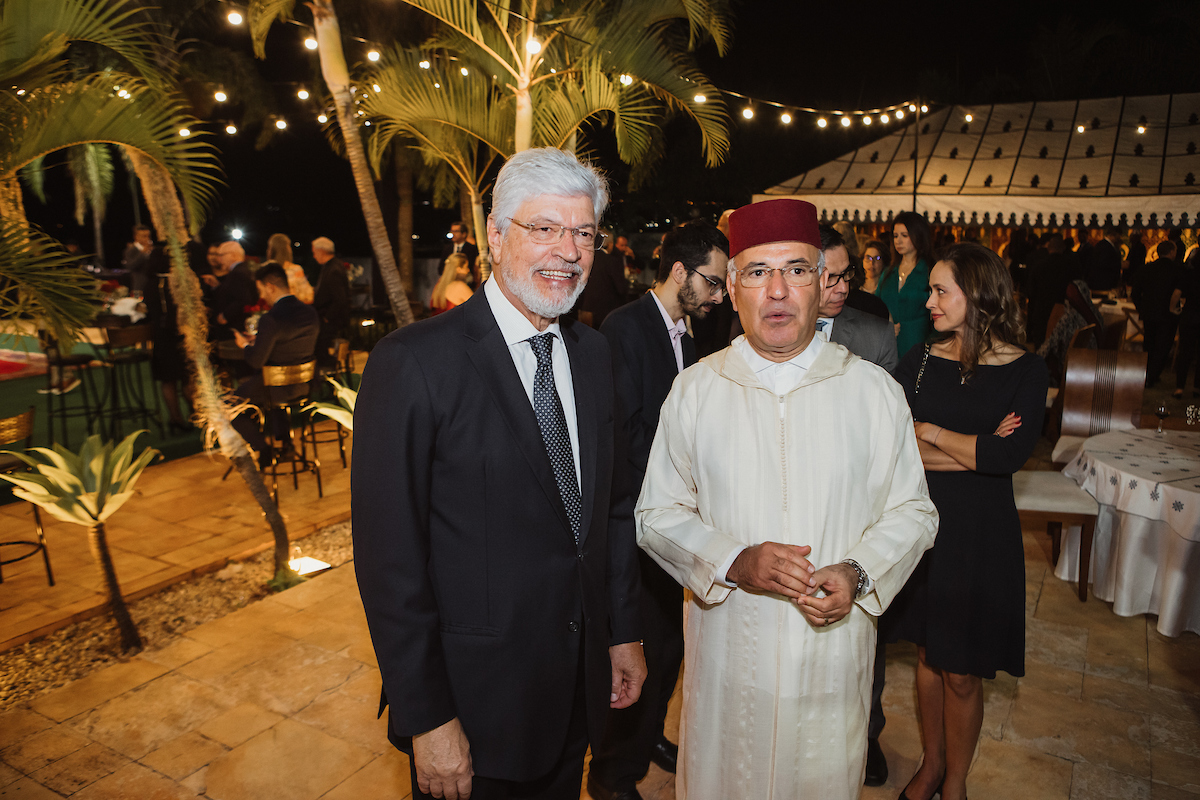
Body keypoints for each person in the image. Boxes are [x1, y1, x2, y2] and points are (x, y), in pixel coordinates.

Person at [352, 147, 646, 800]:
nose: (567, 251)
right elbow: (388, 563)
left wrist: (622, 632)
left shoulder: (594, 354)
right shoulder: (414, 364)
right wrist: (426, 717)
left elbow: (614, 508)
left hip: (574, 694)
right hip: (474, 710)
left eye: (583, 233)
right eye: (544, 228)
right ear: (495, 234)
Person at [635, 198, 938, 800]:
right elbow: (657, 515)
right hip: (729, 664)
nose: (777, 290)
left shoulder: (873, 392)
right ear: (735, 288)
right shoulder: (696, 391)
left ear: (824, 281)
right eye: (757, 272)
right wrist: (733, 561)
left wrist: (859, 572)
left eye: (796, 270)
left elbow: (914, 511)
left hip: (830, 661)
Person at [882, 243, 1048, 800]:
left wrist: (926, 431)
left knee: (961, 669)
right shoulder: (922, 359)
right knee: (929, 656)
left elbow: (1005, 459)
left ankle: (955, 782)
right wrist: (970, 449)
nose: (928, 301)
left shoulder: (1027, 369)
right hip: (924, 525)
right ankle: (931, 766)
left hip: (981, 534)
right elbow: (889, 446)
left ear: (976, 296)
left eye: (939, 290)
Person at [589, 222, 729, 800]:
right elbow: (625, 435)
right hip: (636, 519)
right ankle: (612, 774)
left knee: (669, 646)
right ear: (679, 272)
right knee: (640, 647)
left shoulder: (687, 338)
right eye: (713, 283)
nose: (719, 296)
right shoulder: (625, 327)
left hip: (673, 518)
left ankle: (644, 739)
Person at [815, 223, 899, 787]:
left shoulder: (872, 336)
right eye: (829, 276)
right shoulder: (754, 325)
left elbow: (889, 442)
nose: (842, 286)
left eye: (847, 275)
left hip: (854, 506)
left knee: (865, 627)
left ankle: (866, 734)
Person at [230, 262, 320, 465]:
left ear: (270, 286)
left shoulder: (271, 319)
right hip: (304, 385)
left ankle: (263, 449)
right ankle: (286, 445)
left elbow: (255, 361)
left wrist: (245, 345)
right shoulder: (309, 312)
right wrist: (260, 341)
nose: (261, 296)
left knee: (228, 406)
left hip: (276, 387)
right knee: (269, 395)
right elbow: (289, 343)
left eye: (261, 289)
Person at [876, 211, 934, 359]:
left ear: (918, 236)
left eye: (904, 235)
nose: (898, 241)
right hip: (888, 347)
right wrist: (886, 326)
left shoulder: (930, 271)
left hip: (919, 345)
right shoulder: (889, 272)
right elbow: (875, 305)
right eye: (895, 236)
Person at [1133, 241, 1183, 387]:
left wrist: (1140, 307)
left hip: (1149, 312)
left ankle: (1148, 373)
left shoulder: (1146, 269)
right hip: (1168, 314)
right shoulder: (1177, 270)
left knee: (1149, 343)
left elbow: (1135, 292)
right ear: (1172, 252)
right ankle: (1152, 375)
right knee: (1163, 346)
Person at [203, 241, 257, 340]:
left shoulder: (238, 273)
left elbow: (243, 300)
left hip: (234, 330)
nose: (219, 260)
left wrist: (225, 316)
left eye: (221, 255)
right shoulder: (239, 271)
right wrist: (217, 286)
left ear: (233, 255)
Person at [311, 237, 351, 369]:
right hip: (328, 317)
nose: (314, 256)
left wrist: (327, 317)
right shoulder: (331, 266)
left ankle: (326, 374)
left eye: (314, 252)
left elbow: (340, 299)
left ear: (321, 251)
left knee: (316, 343)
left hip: (332, 321)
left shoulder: (333, 269)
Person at [266, 233, 314, 304]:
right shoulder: (295, 270)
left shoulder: (266, 269)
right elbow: (308, 296)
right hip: (294, 311)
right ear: (287, 249)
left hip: (272, 312)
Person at [1084, 225, 1124, 292]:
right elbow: (1103, 264)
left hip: (1104, 284)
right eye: (1119, 235)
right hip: (1103, 284)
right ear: (1114, 234)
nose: (1120, 238)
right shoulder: (1104, 246)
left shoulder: (1105, 245)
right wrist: (1119, 265)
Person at [122, 225, 154, 293]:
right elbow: (130, 266)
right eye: (144, 236)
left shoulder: (152, 249)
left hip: (151, 284)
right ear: (136, 236)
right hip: (139, 285)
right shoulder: (130, 250)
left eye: (148, 236)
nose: (147, 238)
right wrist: (143, 253)